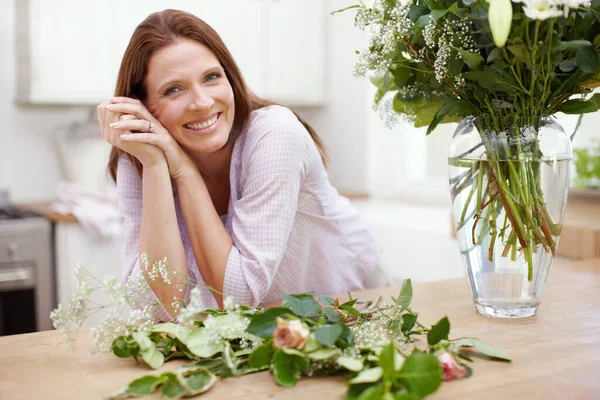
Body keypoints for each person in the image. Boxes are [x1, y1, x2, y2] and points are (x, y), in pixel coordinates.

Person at [97, 9, 386, 321]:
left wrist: (184, 172)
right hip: (262, 325)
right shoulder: (142, 156)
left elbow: (240, 294)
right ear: (143, 106)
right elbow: (157, 307)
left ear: (229, 76)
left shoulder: (274, 134)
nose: (203, 102)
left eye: (211, 77)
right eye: (173, 89)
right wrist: (156, 167)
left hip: (351, 304)